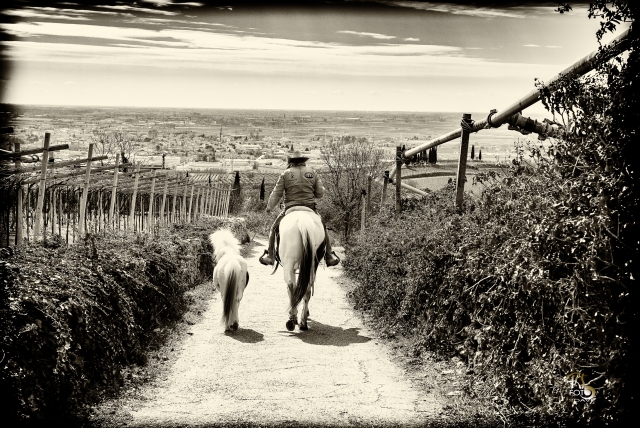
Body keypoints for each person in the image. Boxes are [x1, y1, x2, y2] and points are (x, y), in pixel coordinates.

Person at [259, 151, 340, 267]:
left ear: (291, 162)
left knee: (274, 229)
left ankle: (270, 256)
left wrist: (269, 207)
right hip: (309, 207)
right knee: (323, 228)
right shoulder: (313, 173)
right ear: (303, 161)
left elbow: (277, 194)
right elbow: (320, 193)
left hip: (290, 208)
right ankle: (329, 256)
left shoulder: (285, 174)